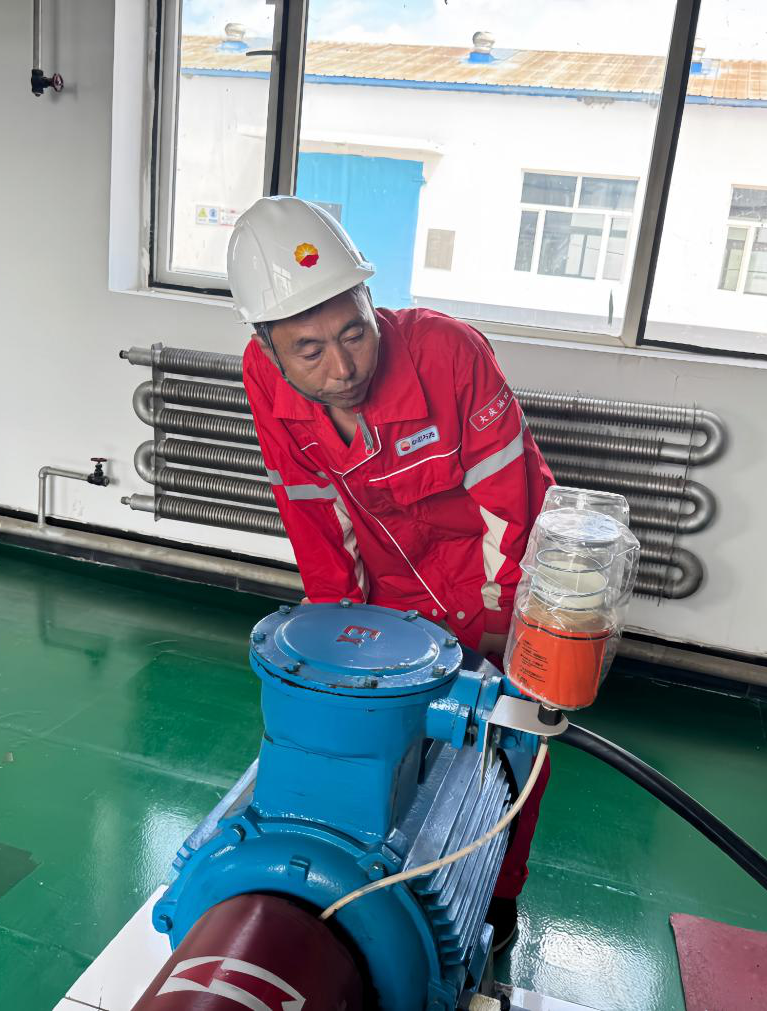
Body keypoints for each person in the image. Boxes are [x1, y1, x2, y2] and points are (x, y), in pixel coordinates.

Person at [229, 195, 554, 949]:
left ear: (372, 302)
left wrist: (499, 635)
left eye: (354, 332)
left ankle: (496, 895)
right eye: (309, 350)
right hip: (386, 593)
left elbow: (515, 510)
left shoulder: (448, 355)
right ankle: (389, 887)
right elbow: (313, 513)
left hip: (495, 578)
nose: (342, 367)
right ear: (269, 348)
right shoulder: (263, 380)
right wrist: (339, 638)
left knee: (508, 742)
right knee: (374, 734)